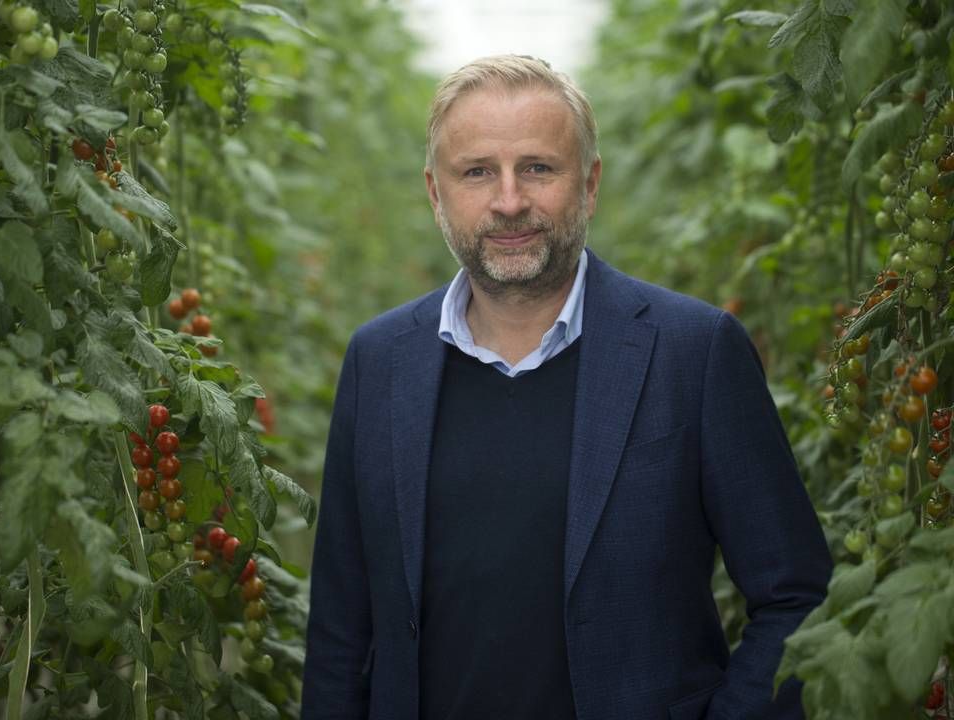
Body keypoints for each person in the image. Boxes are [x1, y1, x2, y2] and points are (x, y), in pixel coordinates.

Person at [301, 55, 832, 720]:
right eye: (477, 172)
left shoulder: (693, 354)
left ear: (589, 184)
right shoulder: (378, 362)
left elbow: (796, 597)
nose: (509, 200)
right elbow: (341, 635)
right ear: (436, 193)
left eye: (538, 168)